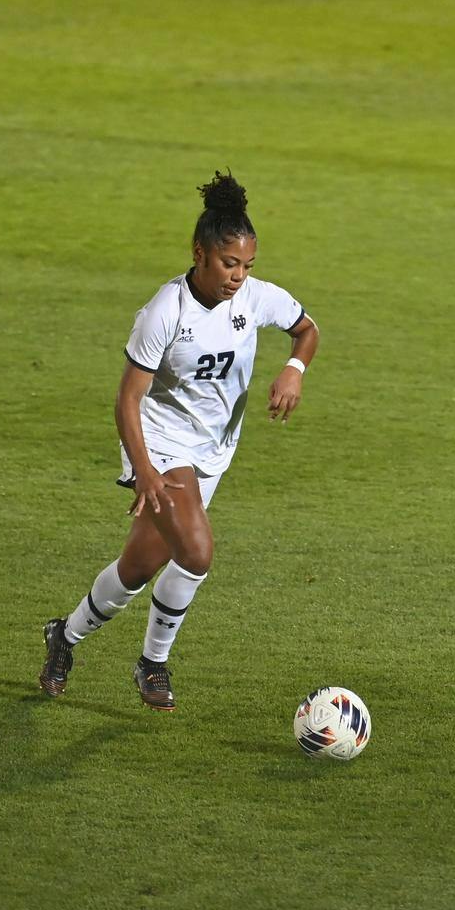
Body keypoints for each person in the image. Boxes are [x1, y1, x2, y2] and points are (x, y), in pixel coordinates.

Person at [39, 173, 321, 711]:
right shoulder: (165, 312)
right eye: (228, 264)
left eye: (246, 265)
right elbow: (127, 399)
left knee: (139, 566)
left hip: (213, 450)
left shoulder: (258, 299)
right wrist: (144, 469)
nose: (238, 276)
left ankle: (63, 638)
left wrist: (293, 370)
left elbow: (307, 330)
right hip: (161, 442)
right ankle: (154, 663)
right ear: (200, 253)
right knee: (196, 552)